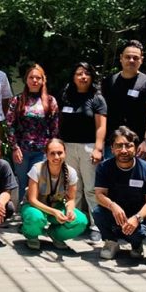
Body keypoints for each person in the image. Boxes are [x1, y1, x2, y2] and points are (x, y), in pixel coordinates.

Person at [93, 126, 146, 260]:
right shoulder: (104, 167)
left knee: (138, 233)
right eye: (118, 146)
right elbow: (99, 194)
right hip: (114, 213)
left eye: (128, 146)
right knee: (97, 212)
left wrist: (137, 218)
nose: (123, 150)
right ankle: (111, 242)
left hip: (137, 215)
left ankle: (136, 245)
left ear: (135, 148)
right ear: (111, 148)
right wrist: (112, 206)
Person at [58, 62, 107, 242]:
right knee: (73, 189)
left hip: (89, 147)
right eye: (79, 73)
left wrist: (98, 148)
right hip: (68, 147)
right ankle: (75, 224)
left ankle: (97, 226)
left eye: (87, 73)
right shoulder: (66, 96)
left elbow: (101, 126)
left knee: (92, 189)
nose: (83, 77)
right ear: (73, 77)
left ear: (92, 77)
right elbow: (60, 122)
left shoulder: (97, 99)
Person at [21, 138, 88, 250]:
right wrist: (54, 212)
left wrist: (70, 210)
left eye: (60, 153)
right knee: (36, 218)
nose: (56, 157)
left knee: (81, 220)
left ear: (65, 153)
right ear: (46, 155)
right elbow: (32, 200)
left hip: (57, 206)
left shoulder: (71, 172)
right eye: (52, 153)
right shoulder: (37, 169)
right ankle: (31, 235)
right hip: (36, 207)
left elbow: (71, 199)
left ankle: (56, 235)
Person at [5, 64, 59, 203]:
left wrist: (51, 150)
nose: (34, 80)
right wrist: (14, 147)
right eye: (31, 77)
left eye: (38, 78)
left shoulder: (50, 101)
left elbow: (54, 127)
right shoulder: (17, 100)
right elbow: (10, 125)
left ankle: (37, 213)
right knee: (22, 183)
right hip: (21, 150)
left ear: (43, 80)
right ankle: (23, 214)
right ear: (26, 80)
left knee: (38, 183)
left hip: (41, 151)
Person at [101, 40, 146, 159]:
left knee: (135, 178)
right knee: (112, 177)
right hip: (112, 144)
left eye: (135, 58)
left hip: (137, 144)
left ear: (141, 60)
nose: (131, 60)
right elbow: (102, 114)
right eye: (128, 57)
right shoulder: (109, 82)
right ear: (121, 58)